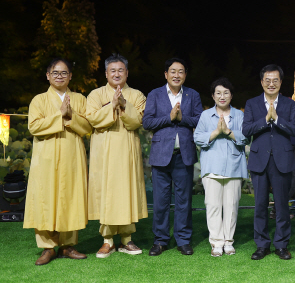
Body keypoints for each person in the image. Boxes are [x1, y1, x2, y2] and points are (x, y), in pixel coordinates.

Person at [24, 58, 92, 265]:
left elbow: (88, 126)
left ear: (70, 76)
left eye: (64, 73)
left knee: (71, 197)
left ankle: (67, 246)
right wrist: (59, 115)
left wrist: (71, 115)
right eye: (55, 73)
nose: (60, 76)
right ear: (48, 76)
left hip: (72, 155)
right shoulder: (38, 100)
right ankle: (47, 247)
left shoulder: (80, 99)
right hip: (46, 158)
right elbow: (34, 127)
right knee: (46, 198)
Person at [87, 54, 148, 258]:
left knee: (127, 190)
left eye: (120, 70)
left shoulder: (137, 95)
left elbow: (138, 121)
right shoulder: (96, 94)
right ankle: (107, 240)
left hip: (127, 152)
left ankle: (126, 239)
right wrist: (111, 106)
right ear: (106, 73)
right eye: (112, 70)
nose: (116, 74)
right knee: (107, 192)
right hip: (104, 152)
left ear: (127, 72)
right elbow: (93, 120)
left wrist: (124, 104)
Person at [142, 58, 203, 256]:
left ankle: (183, 240)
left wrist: (181, 118)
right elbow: (147, 122)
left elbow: (199, 120)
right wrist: (169, 118)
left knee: (184, 200)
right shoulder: (155, 94)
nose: (177, 75)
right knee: (161, 201)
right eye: (173, 71)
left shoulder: (192, 95)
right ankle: (160, 240)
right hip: (161, 155)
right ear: (166, 74)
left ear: (185, 75)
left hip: (183, 155)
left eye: (181, 71)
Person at [242, 65, 295, 261]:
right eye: (267, 80)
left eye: (275, 80)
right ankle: (261, 244)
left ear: (281, 82)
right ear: (261, 82)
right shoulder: (252, 103)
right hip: (259, 159)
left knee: (282, 205)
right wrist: (265, 120)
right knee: (260, 205)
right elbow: (246, 130)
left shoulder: (289, 104)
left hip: (282, 159)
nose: (271, 84)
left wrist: (277, 119)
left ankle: (281, 245)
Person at [193, 78, 248, 257]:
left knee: (231, 206)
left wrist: (230, 132)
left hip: (234, 166)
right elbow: (198, 137)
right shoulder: (206, 115)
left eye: (226, 93)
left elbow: (247, 137)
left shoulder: (239, 115)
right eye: (218, 93)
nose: (222, 96)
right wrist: (216, 133)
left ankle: (228, 241)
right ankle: (216, 242)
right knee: (213, 206)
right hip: (212, 166)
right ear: (213, 96)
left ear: (231, 96)